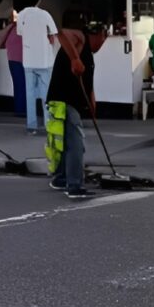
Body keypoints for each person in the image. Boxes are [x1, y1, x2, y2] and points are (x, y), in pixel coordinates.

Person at [44, 21, 107, 199]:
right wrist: (75, 58)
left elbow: (89, 86)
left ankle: (61, 178)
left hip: (68, 102)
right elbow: (62, 32)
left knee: (64, 143)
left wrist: (93, 107)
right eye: (103, 38)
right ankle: (74, 185)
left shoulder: (90, 56)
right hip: (64, 100)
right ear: (98, 35)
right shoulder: (80, 39)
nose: (103, 43)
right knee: (76, 144)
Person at [17, 0, 57, 134]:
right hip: (44, 60)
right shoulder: (45, 14)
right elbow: (53, 35)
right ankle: (48, 124)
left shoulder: (21, 15)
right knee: (46, 94)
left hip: (28, 59)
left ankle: (31, 126)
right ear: (38, 0)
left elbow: (20, 32)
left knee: (30, 94)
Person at [0, 10, 26, 116]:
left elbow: (2, 44)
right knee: (23, 85)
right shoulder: (22, 28)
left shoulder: (10, 28)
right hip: (22, 60)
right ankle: (22, 110)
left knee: (19, 85)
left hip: (13, 60)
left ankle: (20, 109)